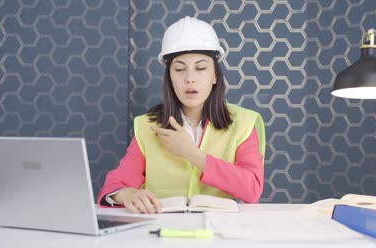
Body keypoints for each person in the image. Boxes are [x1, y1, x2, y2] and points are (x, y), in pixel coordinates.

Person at [97, 16, 266, 214]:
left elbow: (252, 189)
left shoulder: (243, 123)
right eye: (179, 69)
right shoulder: (147, 126)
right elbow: (113, 186)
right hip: (160, 232)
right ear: (169, 76)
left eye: (201, 68)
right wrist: (128, 195)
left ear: (214, 76)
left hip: (219, 232)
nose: (189, 79)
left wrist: (191, 153)